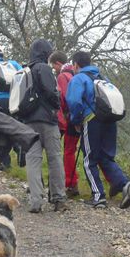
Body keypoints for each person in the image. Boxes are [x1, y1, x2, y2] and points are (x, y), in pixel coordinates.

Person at [66, 51, 130, 209]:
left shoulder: (78, 78)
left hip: (92, 120)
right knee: (106, 157)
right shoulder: (102, 78)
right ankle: (125, 185)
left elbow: (74, 102)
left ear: (75, 65)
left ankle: (98, 196)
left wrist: (76, 121)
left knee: (89, 159)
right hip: (110, 120)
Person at [21, 39, 68, 213]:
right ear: (45, 52)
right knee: (54, 158)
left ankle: (35, 201)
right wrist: (57, 102)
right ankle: (58, 199)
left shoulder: (26, 70)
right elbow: (50, 92)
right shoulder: (44, 68)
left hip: (28, 121)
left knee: (33, 160)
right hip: (47, 121)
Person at [48, 50, 80, 197]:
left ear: (58, 64)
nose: (54, 69)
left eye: (53, 66)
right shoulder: (76, 73)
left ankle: (71, 183)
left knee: (68, 151)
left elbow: (64, 98)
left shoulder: (62, 75)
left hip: (71, 119)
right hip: (86, 117)